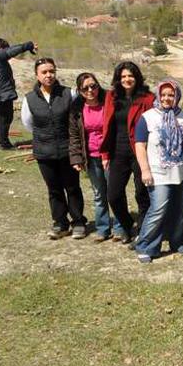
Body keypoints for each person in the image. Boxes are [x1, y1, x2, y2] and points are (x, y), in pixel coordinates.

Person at [21, 57, 87, 239]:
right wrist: (44, 135)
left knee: (72, 187)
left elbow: (76, 119)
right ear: (37, 75)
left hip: (68, 150)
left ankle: (79, 221)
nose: (49, 75)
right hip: (44, 152)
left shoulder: (69, 94)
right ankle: (60, 223)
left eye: (52, 71)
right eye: (44, 72)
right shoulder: (29, 99)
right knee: (54, 189)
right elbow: (28, 123)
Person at [133, 79, 183, 263]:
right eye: (164, 95)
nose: (167, 98)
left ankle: (177, 241)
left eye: (171, 95)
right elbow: (140, 145)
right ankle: (146, 246)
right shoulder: (148, 117)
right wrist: (145, 170)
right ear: (158, 96)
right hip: (159, 172)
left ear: (177, 96)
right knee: (159, 208)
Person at [100, 61, 154, 243]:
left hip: (140, 151)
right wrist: (105, 154)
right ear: (118, 79)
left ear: (137, 77)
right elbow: (107, 126)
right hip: (118, 152)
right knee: (113, 195)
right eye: (123, 76)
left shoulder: (147, 98)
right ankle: (127, 224)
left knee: (142, 194)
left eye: (130, 75)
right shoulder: (112, 97)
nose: (127, 79)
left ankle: (143, 229)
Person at [69, 72, 123, 242]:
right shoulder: (76, 108)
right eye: (85, 88)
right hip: (91, 156)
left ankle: (121, 227)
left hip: (110, 154)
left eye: (93, 86)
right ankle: (103, 228)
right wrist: (76, 157)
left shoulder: (109, 102)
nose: (90, 90)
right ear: (79, 90)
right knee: (99, 194)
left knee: (115, 192)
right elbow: (74, 135)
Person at [0, 38, 36, 149]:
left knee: (0, 117)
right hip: (2, 94)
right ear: (0, 48)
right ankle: (4, 144)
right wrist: (28, 45)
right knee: (5, 118)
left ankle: (2, 142)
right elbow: (13, 51)